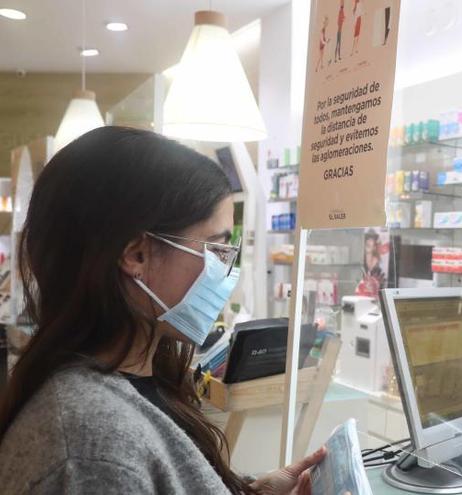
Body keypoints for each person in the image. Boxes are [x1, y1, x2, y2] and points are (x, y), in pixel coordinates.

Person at [0, 127, 326, 494]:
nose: (226, 268)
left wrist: (252, 491)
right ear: (136, 255)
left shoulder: (134, 380)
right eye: (216, 247)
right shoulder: (89, 448)